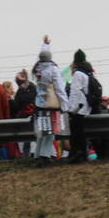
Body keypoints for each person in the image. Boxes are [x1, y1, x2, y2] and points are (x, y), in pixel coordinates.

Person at [31, 36, 68, 166]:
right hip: (51, 104)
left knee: (42, 131)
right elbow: (59, 89)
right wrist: (65, 106)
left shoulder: (37, 68)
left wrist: (45, 45)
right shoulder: (53, 69)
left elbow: (40, 56)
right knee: (51, 131)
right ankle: (45, 156)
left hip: (39, 103)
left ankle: (37, 154)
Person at [66, 50, 95, 164]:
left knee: (75, 133)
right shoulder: (88, 72)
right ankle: (83, 154)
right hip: (85, 107)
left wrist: (71, 109)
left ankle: (76, 155)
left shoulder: (78, 74)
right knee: (81, 132)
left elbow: (75, 92)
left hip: (78, 108)